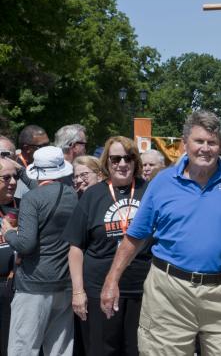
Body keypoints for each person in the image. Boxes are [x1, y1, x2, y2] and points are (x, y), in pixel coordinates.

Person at [100, 111, 221, 355]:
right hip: (169, 293)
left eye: (212, 143)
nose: (205, 148)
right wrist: (111, 280)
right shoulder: (162, 182)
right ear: (185, 144)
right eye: (199, 141)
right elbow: (135, 236)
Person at [63, 136, 149, 356]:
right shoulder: (93, 195)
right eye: (116, 159)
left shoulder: (149, 192)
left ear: (135, 161)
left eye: (128, 158)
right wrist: (78, 292)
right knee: (102, 350)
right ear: (107, 162)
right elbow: (75, 247)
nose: (122, 163)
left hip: (142, 289)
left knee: (137, 350)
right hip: (99, 289)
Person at [2, 146, 77, 356]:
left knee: (23, 347)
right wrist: (22, 172)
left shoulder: (31, 199)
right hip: (64, 283)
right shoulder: (71, 194)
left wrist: (8, 233)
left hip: (33, 284)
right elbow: (47, 190)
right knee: (60, 349)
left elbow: (25, 244)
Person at [0, 158, 19, 356]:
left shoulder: (26, 205)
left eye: (16, 176)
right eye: (6, 177)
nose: (13, 182)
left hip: (19, 286)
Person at [15, 125, 49, 199]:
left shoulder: (48, 165)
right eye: (42, 146)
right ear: (27, 148)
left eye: (48, 145)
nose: (47, 149)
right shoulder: (15, 170)